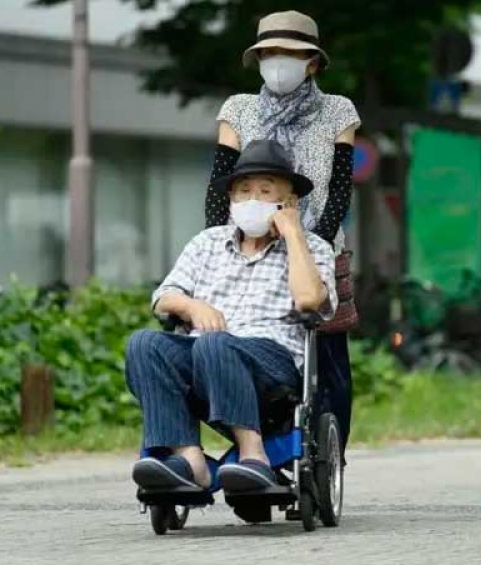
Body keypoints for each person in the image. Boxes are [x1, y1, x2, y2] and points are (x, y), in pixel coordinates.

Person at [127, 140, 337, 493]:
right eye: (243, 191)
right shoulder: (206, 242)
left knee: (215, 344)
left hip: (271, 361)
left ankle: (254, 456)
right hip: (204, 354)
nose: (252, 200)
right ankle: (190, 461)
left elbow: (308, 300)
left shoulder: (314, 247)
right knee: (144, 344)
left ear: (289, 201)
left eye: (265, 191)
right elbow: (163, 298)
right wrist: (194, 307)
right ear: (231, 199)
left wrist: (293, 233)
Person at [204, 10, 360, 457]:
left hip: (315, 248)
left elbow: (340, 190)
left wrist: (312, 246)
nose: (277, 61)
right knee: (238, 343)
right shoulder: (238, 109)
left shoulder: (338, 111)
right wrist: (220, 247)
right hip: (248, 249)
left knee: (327, 361)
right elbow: (219, 187)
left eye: (289, 53)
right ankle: (256, 445)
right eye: (269, 52)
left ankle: (328, 459)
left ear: (312, 62)